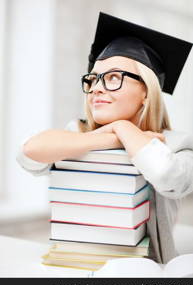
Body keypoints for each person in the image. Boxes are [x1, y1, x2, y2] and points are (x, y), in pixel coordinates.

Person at [17, 12, 193, 264]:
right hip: (76, 264)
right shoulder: (78, 134)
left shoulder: (177, 145)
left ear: (146, 91)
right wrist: (108, 138)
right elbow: (27, 153)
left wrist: (124, 127)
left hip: (144, 271)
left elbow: (166, 174)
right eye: (93, 78)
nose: (97, 87)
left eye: (113, 77)